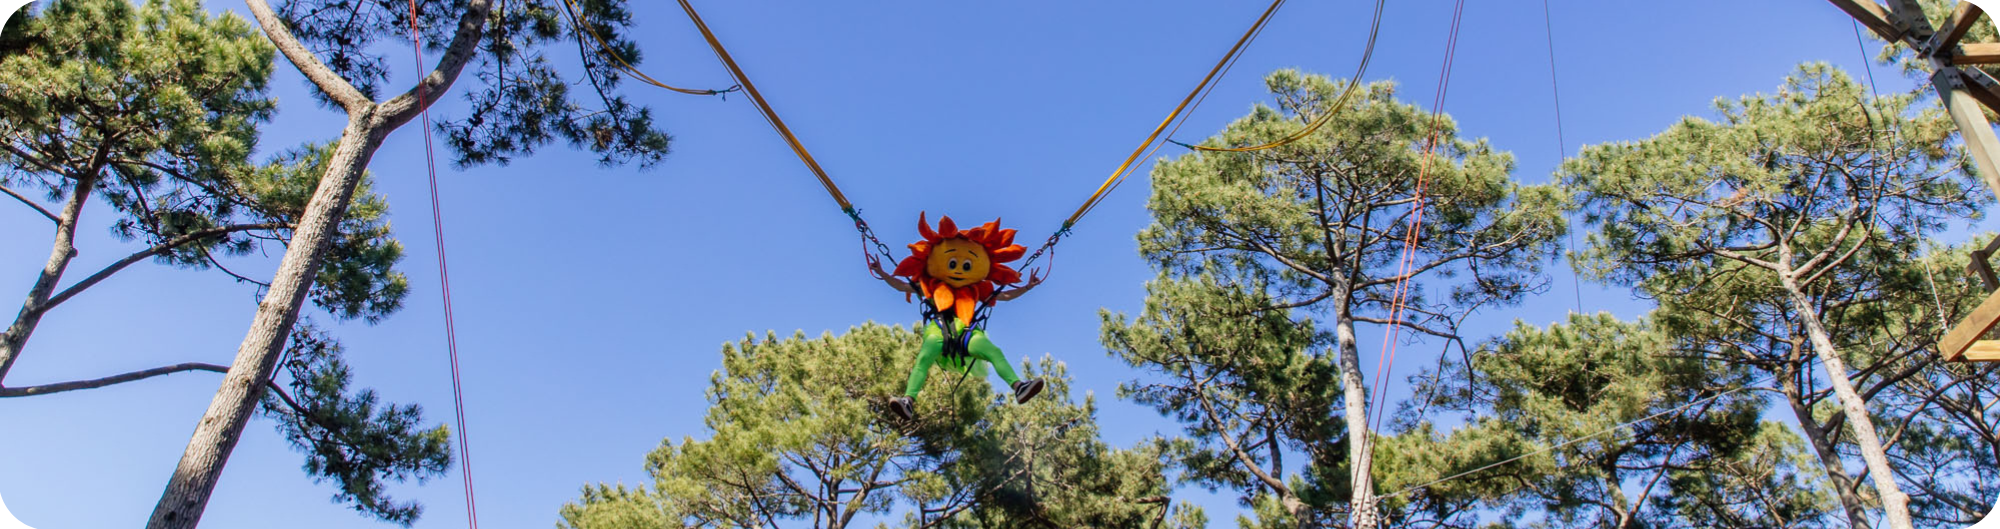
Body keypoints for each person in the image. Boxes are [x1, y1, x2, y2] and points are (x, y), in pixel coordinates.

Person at [870, 213, 1045, 421]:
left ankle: (1019, 387)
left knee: (993, 351)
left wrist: (1026, 287)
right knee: (926, 354)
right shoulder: (932, 287)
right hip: (938, 328)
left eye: (967, 266)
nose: (959, 270)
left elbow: (1004, 295)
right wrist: (883, 273)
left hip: (967, 330)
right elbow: (902, 285)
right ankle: (909, 400)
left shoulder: (974, 289)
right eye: (953, 264)